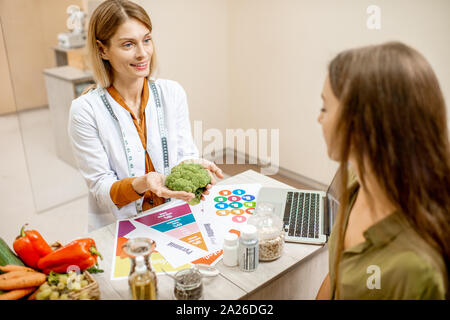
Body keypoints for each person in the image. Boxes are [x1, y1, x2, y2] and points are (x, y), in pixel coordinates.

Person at [68, 0, 223, 231]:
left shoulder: (172, 93)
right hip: (122, 227)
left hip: (175, 213)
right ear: (102, 50)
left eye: (146, 40)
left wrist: (194, 168)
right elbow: (101, 188)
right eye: (128, 44)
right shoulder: (85, 111)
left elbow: (184, 154)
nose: (143, 53)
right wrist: (143, 183)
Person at [315, 42, 449, 299]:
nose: (319, 119)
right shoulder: (356, 178)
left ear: (362, 126)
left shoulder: (414, 273)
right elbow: (336, 275)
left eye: (324, 108)